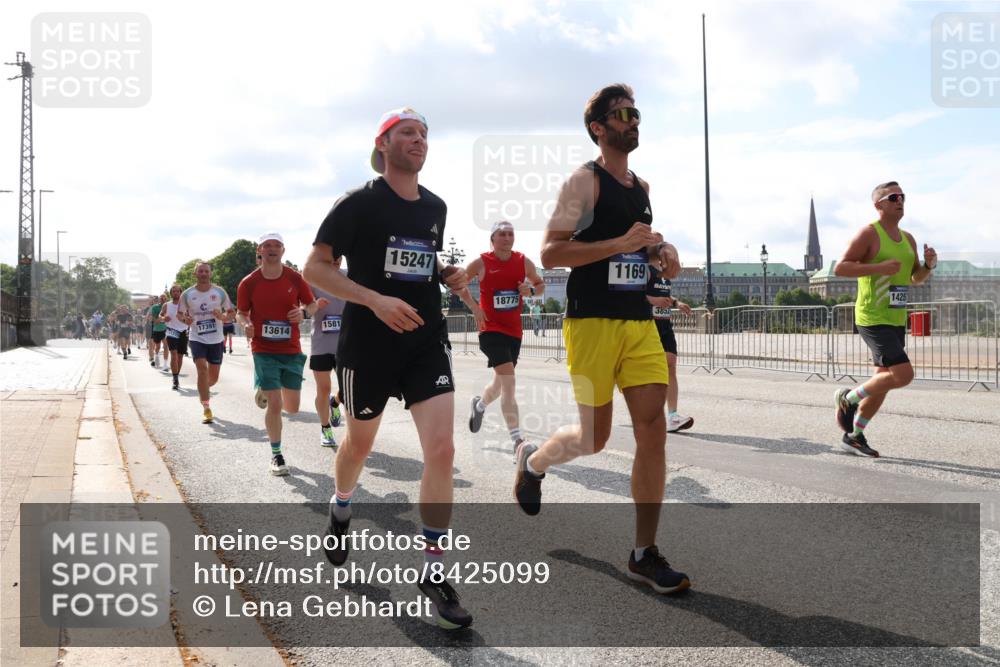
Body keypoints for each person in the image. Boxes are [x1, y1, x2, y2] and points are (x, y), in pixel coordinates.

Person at [512, 84, 690, 594]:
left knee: (652, 429)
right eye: (623, 114)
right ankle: (534, 461)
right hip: (590, 323)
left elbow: (641, 252)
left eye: (636, 112)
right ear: (599, 127)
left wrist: (662, 254)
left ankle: (643, 553)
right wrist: (621, 242)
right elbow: (549, 253)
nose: (634, 121)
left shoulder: (642, 188)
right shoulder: (583, 183)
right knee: (595, 439)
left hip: (638, 324)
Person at [303, 107, 473, 630]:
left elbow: (418, 265)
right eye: (408, 133)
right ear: (383, 143)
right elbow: (315, 268)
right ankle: (342, 502)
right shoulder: (357, 204)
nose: (419, 140)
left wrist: (447, 274)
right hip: (368, 345)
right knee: (360, 445)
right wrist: (374, 300)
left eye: (424, 134)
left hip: (423, 341)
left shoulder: (436, 207)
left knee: (441, 449)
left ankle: (433, 569)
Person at [833, 181, 937, 458]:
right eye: (893, 197)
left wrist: (928, 265)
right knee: (903, 375)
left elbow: (915, 279)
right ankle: (848, 398)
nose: (900, 201)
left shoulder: (908, 239)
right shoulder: (869, 234)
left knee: (883, 381)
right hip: (872, 315)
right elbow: (840, 267)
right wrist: (878, 267)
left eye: (903, 196)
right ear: (878, 204)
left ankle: (854, 435)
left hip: (895, 317)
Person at [460, 220, 545, 455]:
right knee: (509, 382)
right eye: (502, 234)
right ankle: (518, 441)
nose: (508, 238)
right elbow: (458, 284)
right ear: (493, 238)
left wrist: (530, 291)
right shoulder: (481, 262)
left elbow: (540, 285)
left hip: (514, 331)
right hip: (491, 329)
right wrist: (474, 307)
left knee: (499, 383)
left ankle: (479, 405)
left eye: (511, 234)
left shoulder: (523, 261)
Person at [237, 233, 316, 475]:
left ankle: (266, 386)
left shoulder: (294, 277)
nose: (272, 249)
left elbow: (311, 304)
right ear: (260, 250)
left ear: (283, 250)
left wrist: (303, 313)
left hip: (291, 350)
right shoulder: (248, 283)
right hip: (263, 349)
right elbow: (241, 312)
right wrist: (245, 323)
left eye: (277, 245)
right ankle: (276, 455)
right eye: (267, 245)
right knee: (276, 403)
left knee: (292, 408)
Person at [178, 263, 235, 424]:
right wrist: (185, 319)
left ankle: (203, 389)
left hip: (216, 339)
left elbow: (231, 313)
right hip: (197, 338)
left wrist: (223, 317)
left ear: (211, 273)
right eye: (200, 271)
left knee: (213, 378)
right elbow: (180, 314)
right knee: (202, 369)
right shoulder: (188, 294)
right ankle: (206, 407)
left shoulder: (219, 292)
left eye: (206, 271)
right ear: (195, 273)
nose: (203, 273)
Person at [646, 274, 695, 433]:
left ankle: (673, 416)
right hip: (646, 325)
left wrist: (676, 302)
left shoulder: (664, 273)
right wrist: (653, 300)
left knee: (671, 365)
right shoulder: (645, 266)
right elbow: (631, 293)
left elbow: (664, 295)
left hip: (665, 325)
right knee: (646, 371)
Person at [309, 271, 345, 448]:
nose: (336, 260)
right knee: (323, 388)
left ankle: (335, 403)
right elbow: (304, 309)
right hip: (321, 344)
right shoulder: (313, 278)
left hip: (346, 345)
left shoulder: (350, 275)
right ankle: (325, 428)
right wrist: (315, 305)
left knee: (348, 389)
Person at [159, 284, 190, 390]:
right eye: (174, 291)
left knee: (180, 356)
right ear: (171, 293)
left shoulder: (186, 305)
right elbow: (160, 316)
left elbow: (192, 316)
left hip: (183, 331)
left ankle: (176, 375)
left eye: (178, 291)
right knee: (174, 354)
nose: (176, 293)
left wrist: (188, 319)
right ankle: (175, 379)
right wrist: (163, 318)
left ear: (181, 293)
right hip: (171, 331)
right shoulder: (166, 305)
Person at [148, 294, 168, 368]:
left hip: (166, 329)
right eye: (161, 298)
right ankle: (156, 356)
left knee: (166, 346)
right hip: (157, 329)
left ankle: (165, 364)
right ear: (159, 299)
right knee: (158, 347)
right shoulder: (155, 307)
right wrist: (162, 318)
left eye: (164, 298)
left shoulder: (168, 306)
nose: (163, 299)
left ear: (166, 299)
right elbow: (155, 320)